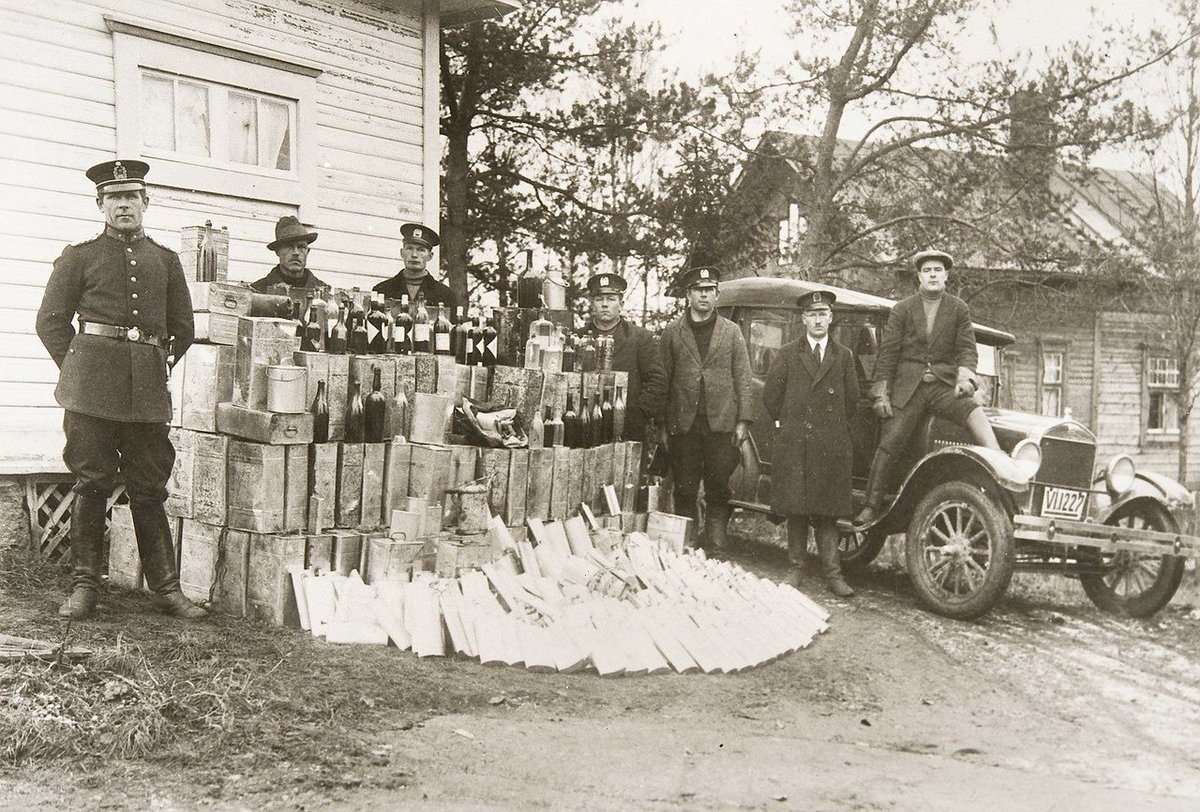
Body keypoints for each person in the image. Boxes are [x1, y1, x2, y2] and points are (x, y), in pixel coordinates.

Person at [36, 159, 207, 620]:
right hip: (89, 395)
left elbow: (183, 328)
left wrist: (155, 365)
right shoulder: (79, 257)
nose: (123, 205)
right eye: (114, 198)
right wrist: (79, 368)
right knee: (91, 483)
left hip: (147, 397)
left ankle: (167, 589)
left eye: (131, 197)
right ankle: (84, 587)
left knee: (149, 487)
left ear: (146, 202)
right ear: (100, 204)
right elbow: (50, 323)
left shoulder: (166, 260)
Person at [855, 249, 1000, 526]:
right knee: (891, 441)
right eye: (927, 270)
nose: (933, 274)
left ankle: (1001, 468)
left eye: (938, 270)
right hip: (909, 388)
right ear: (919, 276)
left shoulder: (958, 309)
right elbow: (888, 355)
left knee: (973, 412)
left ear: (946, 275)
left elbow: (967, 350)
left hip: (943, 387)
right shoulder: (903, 309)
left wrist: (965, 379)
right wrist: (881, 393)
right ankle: (871, 506)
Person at [762, 291, 859, 597]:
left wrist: (830, 429)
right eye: (812, 314)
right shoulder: (789, 353)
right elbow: (771, 397)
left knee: (828, 513)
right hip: (797, 443)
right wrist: (790, 426)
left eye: (823, 314)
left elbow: (852, 400)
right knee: (797, 509)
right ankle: (796, 569)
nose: (818, 320)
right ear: (803, 319)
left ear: (831, 318)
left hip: (830, 444)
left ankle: (834, 574)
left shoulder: (843, 356)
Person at [659, 266, 753, 551]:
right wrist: (662, 425)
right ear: (689, 295)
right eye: (699, 290)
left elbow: (743, 377)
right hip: (683, 424)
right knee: (685, 486)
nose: (704, 295)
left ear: (716, 295)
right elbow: (663, 378)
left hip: (721, 425)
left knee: (718, 486)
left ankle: (715, 540)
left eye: (709, 290)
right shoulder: (673, 332)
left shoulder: (732, 332)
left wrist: (743, 421)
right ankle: (686, 540)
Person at [579, 272, 667, 443]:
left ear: (621, 304)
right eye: (599, 299)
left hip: (629, 428)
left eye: (611, 299)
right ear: (592, 304)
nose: (605, 304)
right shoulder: (579, 338)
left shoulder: (640, 338)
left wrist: (638, 413)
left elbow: (657, 380)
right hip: (586, 424)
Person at [373, 222, 458, 308]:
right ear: (402, 253)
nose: (414, 255)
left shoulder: (445, 295)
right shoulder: (382, 290)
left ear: (430, 256)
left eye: (421, 250)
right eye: (409, 248)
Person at [249, 216, 327, 291]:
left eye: (301, 247)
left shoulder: (323, 290)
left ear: (307, 251)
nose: (296, 252)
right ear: (277, 251)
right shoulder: (258, 290)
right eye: (288, 247)